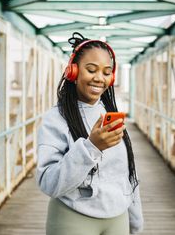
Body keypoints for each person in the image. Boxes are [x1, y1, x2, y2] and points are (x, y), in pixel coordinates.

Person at [36, 32, 144, 235]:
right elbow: (48, 182)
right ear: (73, 72)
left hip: (117, 218)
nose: (99, 78)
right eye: (91, 70)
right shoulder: (56, 119)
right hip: (72, 218)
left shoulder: (110, 114)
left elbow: (126, 173)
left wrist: (135, 221)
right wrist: (91, 147)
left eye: (106, 72)